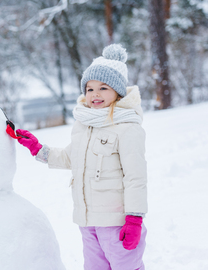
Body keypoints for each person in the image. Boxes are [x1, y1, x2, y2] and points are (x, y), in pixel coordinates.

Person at [16, 44, 147, 270]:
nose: (95, 94)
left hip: (116, 222)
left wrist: (134, 218)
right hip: (87, 221)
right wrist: (38, 149)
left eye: (103, 88)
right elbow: (70, 158)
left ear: (117, 91)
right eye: (89, 88)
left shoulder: (127, 127)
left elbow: (136, 177)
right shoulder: (84, 125)